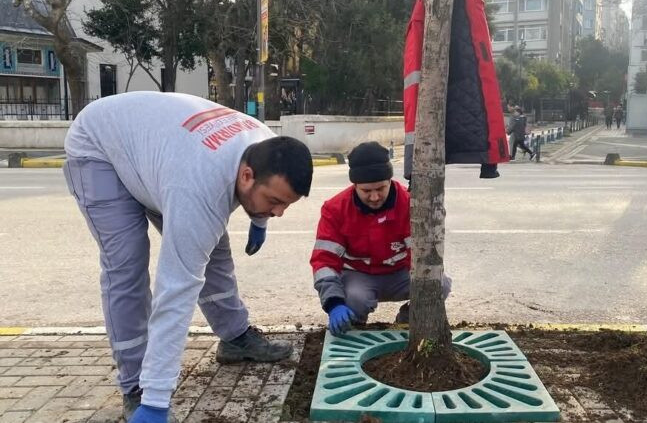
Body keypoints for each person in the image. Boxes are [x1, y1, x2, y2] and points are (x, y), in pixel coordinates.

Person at [63, 92, 313, 423]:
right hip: (100, 147)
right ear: (247, 176)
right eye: (273, 202)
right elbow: (176, 291)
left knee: (215, 250)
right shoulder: (198, 186)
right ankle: (137, 385)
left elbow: (263, 191)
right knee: (127, 267)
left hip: (157, 152)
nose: (279, 212)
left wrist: (260, 218)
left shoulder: (267, 144)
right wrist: (156, 399)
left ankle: (235, 338)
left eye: (286, 205)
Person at [310, 142, 452, 335]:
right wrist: (334, 302)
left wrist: (424, 292)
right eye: (367, 191)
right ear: (355, 185)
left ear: (389, 181)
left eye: (381, 188)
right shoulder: (335, 209)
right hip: (359, 276)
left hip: (400, 274)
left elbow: (420, 255)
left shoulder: (410, 204)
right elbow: (324, 261)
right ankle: (353, 327)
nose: (375, 197)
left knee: (439, 285)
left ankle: (408, 320)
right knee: (354, 300)